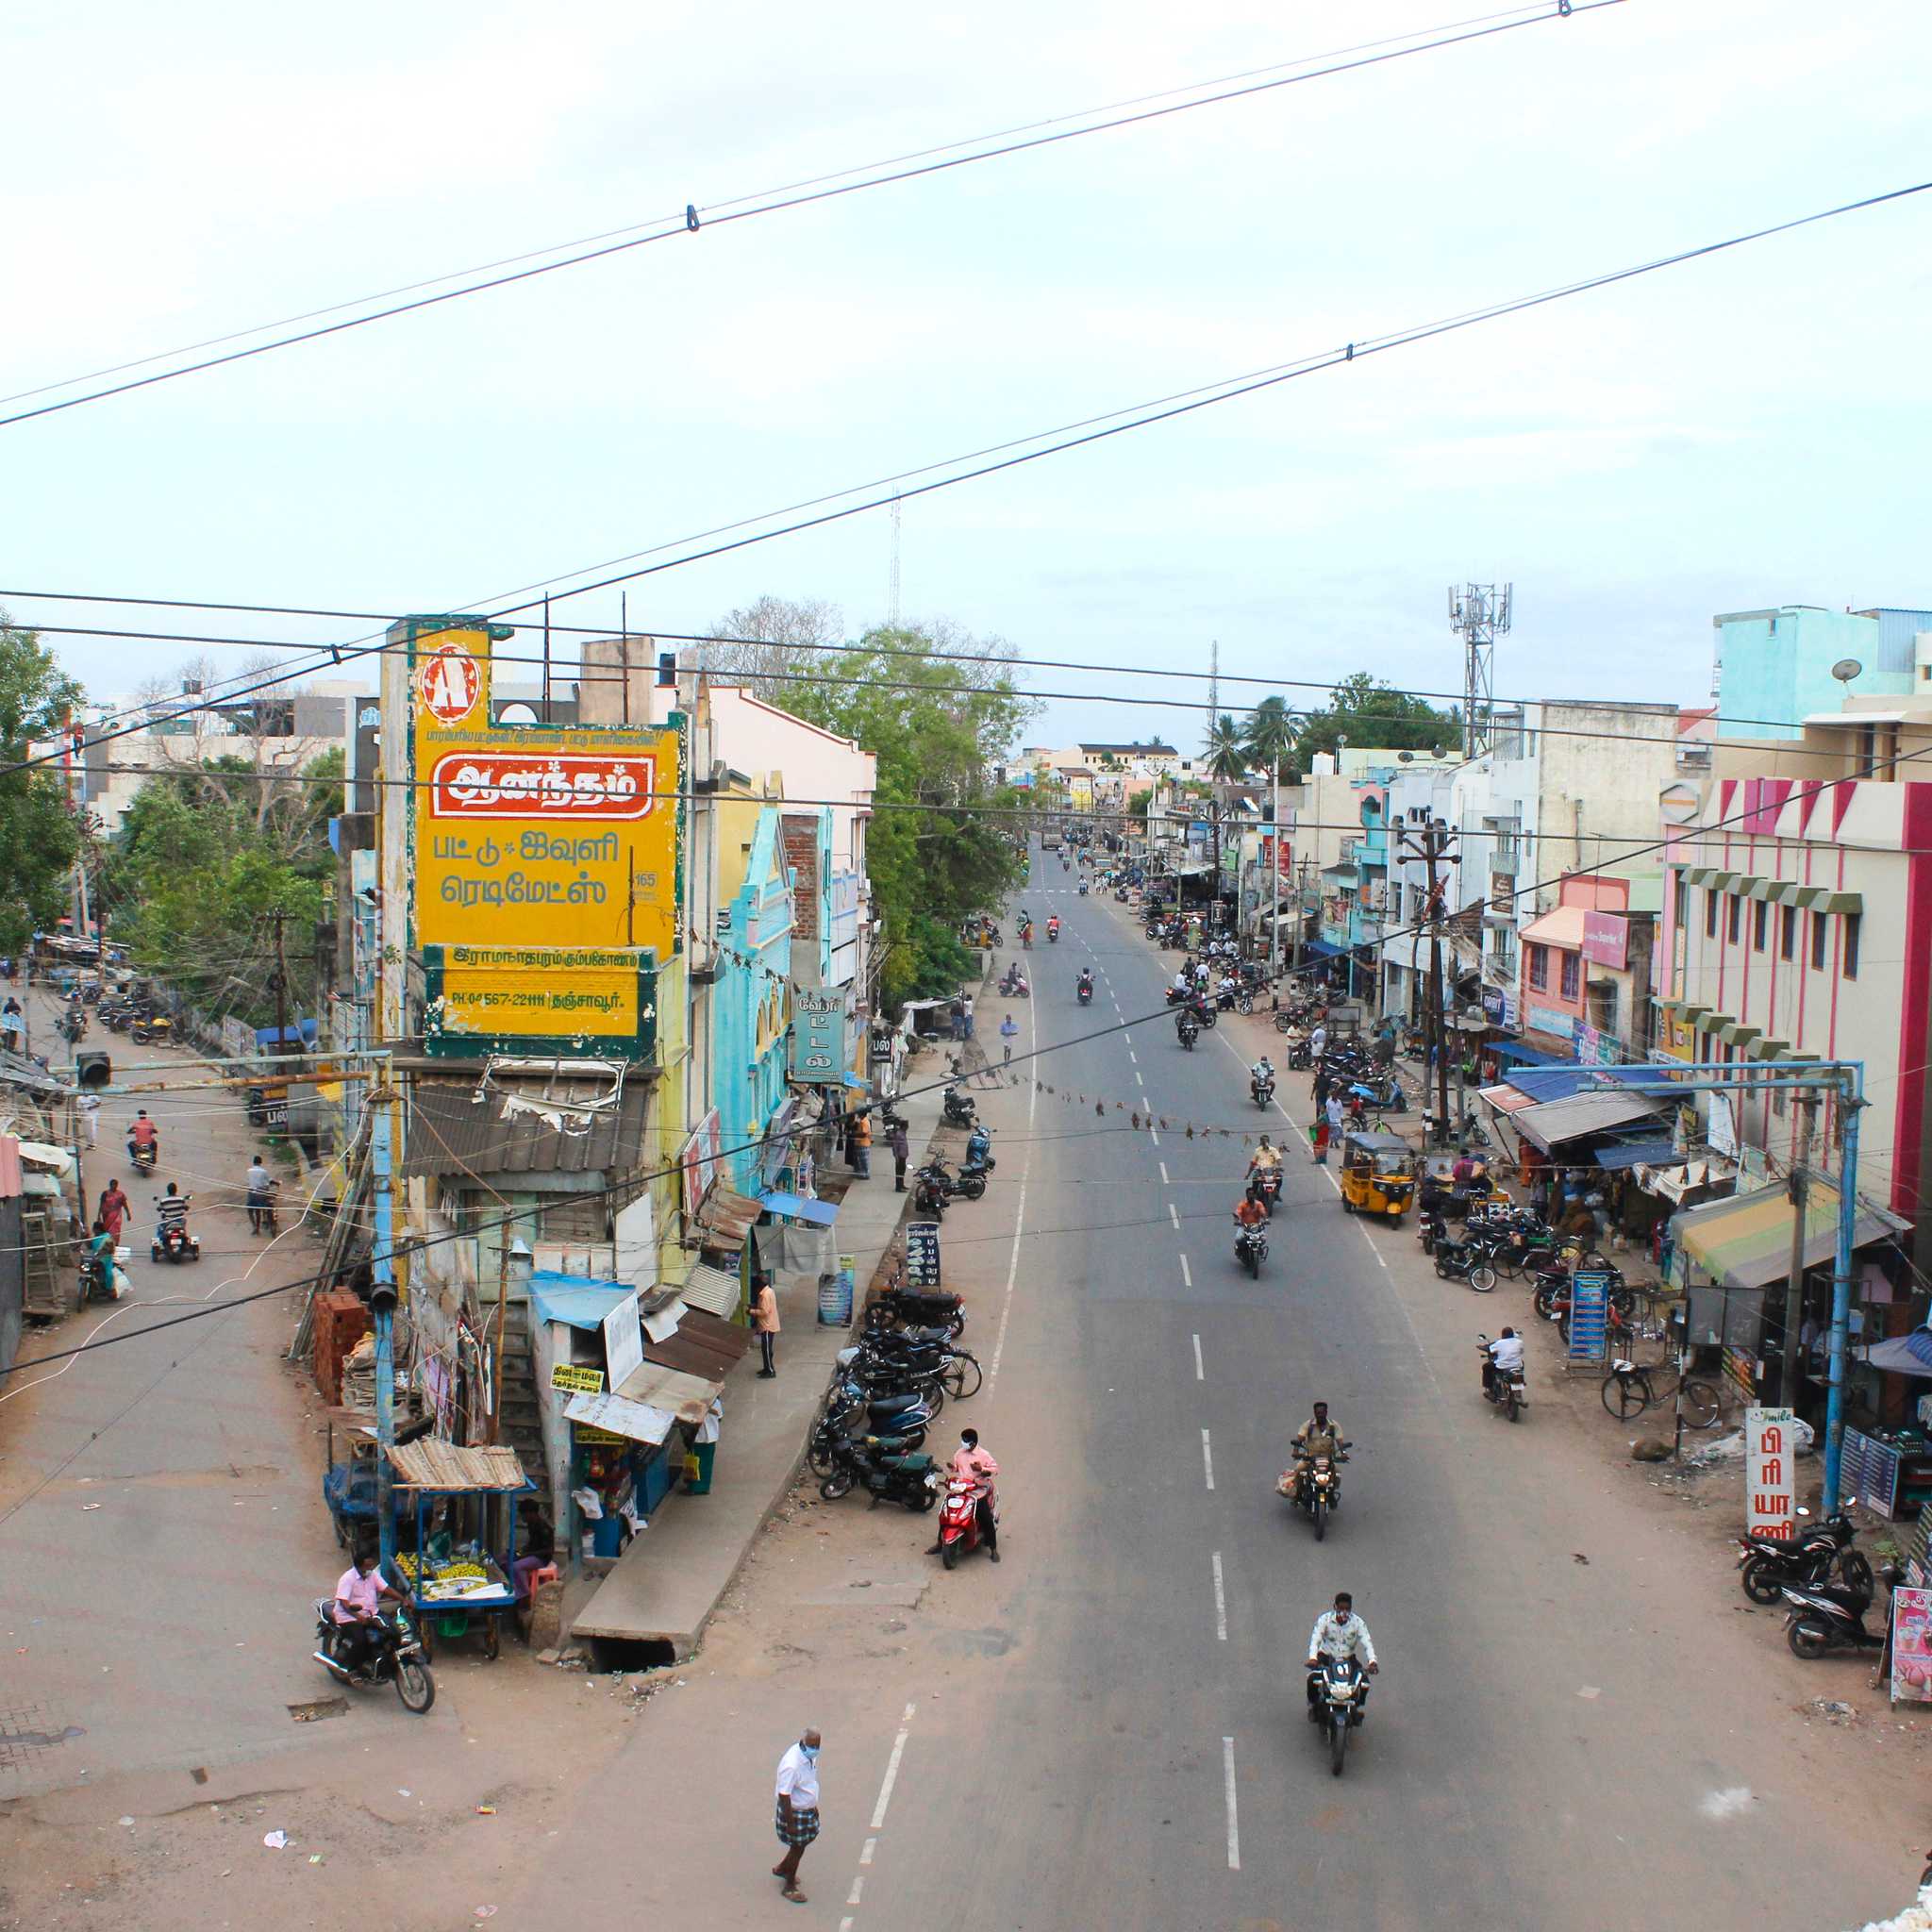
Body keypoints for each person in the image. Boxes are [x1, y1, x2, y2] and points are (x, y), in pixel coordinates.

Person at [928, 1427, 1000, 1562]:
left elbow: (995, 1469)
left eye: (965, 1440)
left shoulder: (983, 1455)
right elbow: (957, 1467)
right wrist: (952, 1467)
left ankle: (993, 1549)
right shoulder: (960, 1453)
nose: (963, 1442)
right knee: (946, 1514)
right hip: (961, 1489)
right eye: (962, 1439)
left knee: (985, 1518)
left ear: (973, 1443)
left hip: (977, 1492)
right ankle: (940, 1543)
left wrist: (982, 1469)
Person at [327, 1548, 402, 1674]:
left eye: (371, 1566)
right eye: (367, 1566)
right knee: (361, 1640)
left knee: (393, 1631)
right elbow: (344, 1604)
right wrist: (357, 1616)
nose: (370, 1569)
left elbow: (386, 1589)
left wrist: (403, 1599)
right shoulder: (347, 1579)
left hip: (371, 1613)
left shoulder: (372, 1575)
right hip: (349, 1617)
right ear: (359, 1565)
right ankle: (353, 1668)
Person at [773, 1728, 824, 1903]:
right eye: (812, 1745)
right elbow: (784, 1795)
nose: (815, 1748)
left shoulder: (809, 1756)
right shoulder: (792, 1765)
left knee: (800, 1844)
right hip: (794, 1811)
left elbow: (809, 1781)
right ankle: (789, 1886)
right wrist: (791, 1823)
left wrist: (813, 1805)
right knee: (798, 1846)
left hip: (806, 1808)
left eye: (817, 1745)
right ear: (804, 1742)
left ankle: (782, 1868)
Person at [1306, 1591, 1378, 1715]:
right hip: (1326, 1656)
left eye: (1347, 1609)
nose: (1344, 1612)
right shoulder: (1325, 1620)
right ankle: (1315, 1705)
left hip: (1348, 1658)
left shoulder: (1358, 1623)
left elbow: (1367, 1643)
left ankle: (1355, 1706)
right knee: (1312, 1679)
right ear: (1335, 1607)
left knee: (1364, 1681)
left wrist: (1372, 1661)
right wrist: (1313, 1658)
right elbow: (1315, 1639)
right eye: (1341, 1608)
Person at [512, 1510, 556, 1605]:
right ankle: (513, 1587)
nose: (522, 1517)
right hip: (532, 1555)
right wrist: (522, 1551)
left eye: (523, 1514)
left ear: (531, 1513)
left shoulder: (544, 1528)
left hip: (541, 1559)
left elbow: (548, 1550)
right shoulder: (531, 1525)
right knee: (505, 1558)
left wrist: (527, 1554)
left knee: (516, 1566)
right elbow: (532, 1544)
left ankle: (524, 1596)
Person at [1484, 1326, 1524, 1397]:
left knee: (1486, 1367)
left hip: (1502, 1366)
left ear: (1503, 1335)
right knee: (1522, 1363)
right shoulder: (1519, 1342)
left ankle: (1489, 1387)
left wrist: (1482, 1347)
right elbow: (1521, 1351)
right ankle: (1521, 1381)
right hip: (1517, 1365)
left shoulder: (1499, 1343)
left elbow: (1490, 1350)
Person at [752, 1272, 779, 1376]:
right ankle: (767, 1368)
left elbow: (764, 1311)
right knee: (766, 1349)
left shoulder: (765, 1295)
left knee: (767, 1349)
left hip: (768, 1326)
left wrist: (752, 1311)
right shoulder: (769, 1291)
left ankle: (770, 1371)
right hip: (768, 1324)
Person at [245, 1151, 277, 1235]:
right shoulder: (263, 1171)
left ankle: (254, 1226)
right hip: (261, 1192)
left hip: (252, 1192)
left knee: (250, 1210)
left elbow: (248, 1181)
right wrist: (276, 1183)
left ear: (253, 1162)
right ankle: (261, 1225)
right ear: (260, 1163)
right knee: (259, 1210)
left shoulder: (249, 1171)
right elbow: (270, 1181)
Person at [96, 1175, 130, 1241]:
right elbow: (101, 1204)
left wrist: (128, 1213)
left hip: (117, 1216)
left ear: (117, 1185)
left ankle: (115, 1243)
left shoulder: (121, 1194)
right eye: (112, 1185)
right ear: (110, 1185)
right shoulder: (105, 1193)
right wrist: (98, 1216)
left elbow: (124, 1204)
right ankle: (107, 1242)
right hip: (106, 1215)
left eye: (115, 1185)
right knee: (107, 1229)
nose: (114, 1186)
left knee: (116, 1230)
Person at [887, 1116, 910, 1192]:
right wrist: (896, 1157)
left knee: (902, 1171)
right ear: (904, 1126)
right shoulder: (898, 1134)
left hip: (903, 1156)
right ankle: (898, 1187)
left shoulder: (903, 1133)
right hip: (899, 1156)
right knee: (899, 1172)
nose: (908, 1127)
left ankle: (902, 1185)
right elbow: (895, 1147)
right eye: (907, 1126)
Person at [850, 1109, 872, 1179]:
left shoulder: (864, 1122)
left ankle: (865, 1174)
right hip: (859, 1143)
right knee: (860, 1159)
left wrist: (853, 1134)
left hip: (863, 1143)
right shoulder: (861, 1121)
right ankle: (861, 1173)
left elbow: (863, 1134)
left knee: (864, 1160)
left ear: (861, 1115)